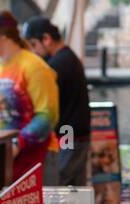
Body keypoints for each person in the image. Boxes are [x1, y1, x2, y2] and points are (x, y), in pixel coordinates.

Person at [0, 8, 59, 178]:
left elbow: (47, 115)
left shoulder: (35, 67)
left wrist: (17, 144)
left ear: (3, 34)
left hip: (34, 158)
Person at [23, 17, 91, 185]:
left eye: (33, 45)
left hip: (68, 135)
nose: (34, 52)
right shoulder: (68, 58)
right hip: (77, 134)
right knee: (75, 191)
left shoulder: (58, 64)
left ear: (46, 39)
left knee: (59, 184)